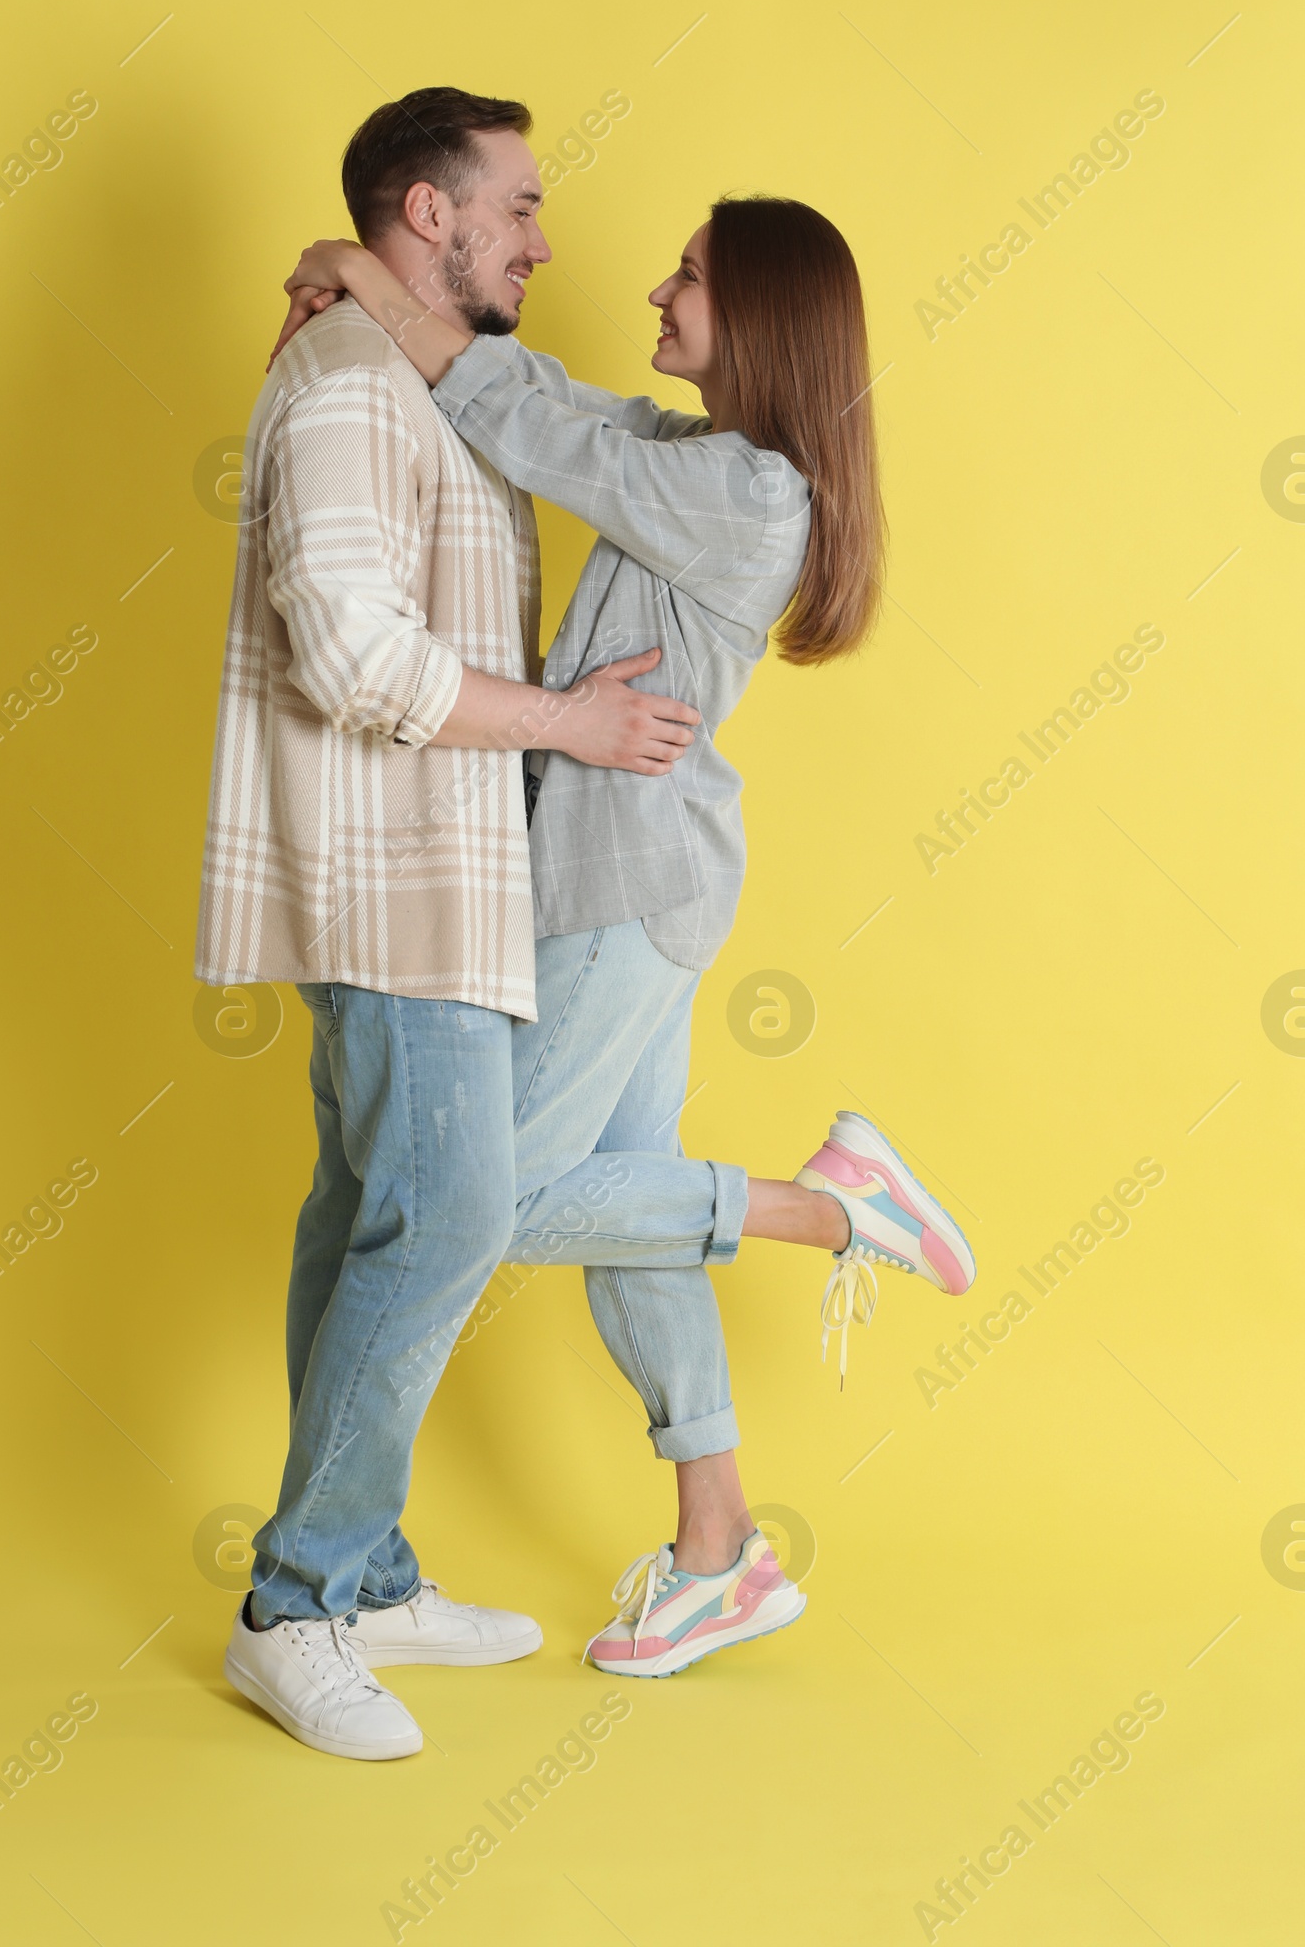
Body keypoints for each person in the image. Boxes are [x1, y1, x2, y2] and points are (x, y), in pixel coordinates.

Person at [276, 173, 975, 1690]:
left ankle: (830, 1205)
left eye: (689, 277)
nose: (657, 294)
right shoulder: (704, 456)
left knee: (495, 1206)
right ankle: (719, 1551)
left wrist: (352, 264)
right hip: (637, 877)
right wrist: (397, 309)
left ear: (767, 323)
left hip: (618, 887)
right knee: (629, 1213)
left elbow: (516, 420)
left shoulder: (749, 494)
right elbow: (544, 397)